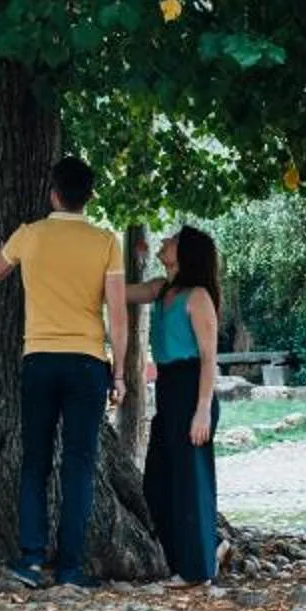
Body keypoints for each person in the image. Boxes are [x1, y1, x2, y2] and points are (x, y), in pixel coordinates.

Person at [0, 155, 126, 588]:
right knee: (80, 464)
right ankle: (71, 568)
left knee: (35, 462)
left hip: (40, 359)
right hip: (87, 363)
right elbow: (117, 314)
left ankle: (29, 560)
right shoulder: (105, 242)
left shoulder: (30, 235)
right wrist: (119, 374)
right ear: (89, 197)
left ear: (53, 193)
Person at [127, 225, 222, 584]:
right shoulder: (161, 289)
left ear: (185, 253)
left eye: (173, 240)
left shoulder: (198, 297)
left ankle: (197, 570)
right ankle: (184, 555)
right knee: (158, 481)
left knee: (191, 481)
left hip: (192, 388)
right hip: (167, 389)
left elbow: (210, 359)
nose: (164, 242)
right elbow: (118, 292)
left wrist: (202, 410)